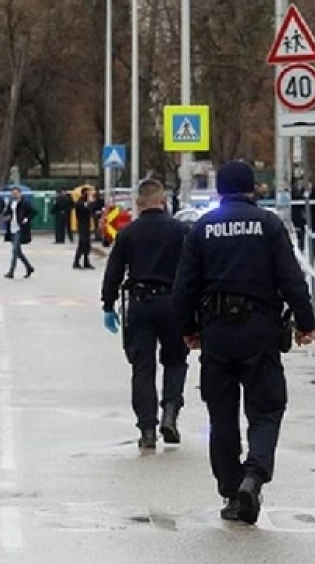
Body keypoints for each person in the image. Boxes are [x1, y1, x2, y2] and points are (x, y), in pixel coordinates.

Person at [171, 161, 315, 525]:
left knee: (221, 415)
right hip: (260, 330)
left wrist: (188, 328)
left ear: (220, 190)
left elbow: (184, 286)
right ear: (253, 188)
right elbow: (291, 277)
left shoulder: (204, 227)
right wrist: (305, 321)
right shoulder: (268, 225)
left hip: (217, 333)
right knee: (266, 408)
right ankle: (254, 476)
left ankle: (231, 490)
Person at [100, 179, 190, 449]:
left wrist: (108, 304)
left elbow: (114, 272)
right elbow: (192, 270)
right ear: (163, 201)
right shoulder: (180, 231)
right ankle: (171, 413)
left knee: (143, 368)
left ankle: (147, 429)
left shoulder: (129, 233)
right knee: (175, 360)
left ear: (139, 203)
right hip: (173, 303)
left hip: (139, 303)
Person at [2, 187, 35, 279]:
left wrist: (26, 219)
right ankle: (29, 267)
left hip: (20, 229)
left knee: (15, 250)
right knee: (18, 252)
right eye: (13, 193)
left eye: (16, 193)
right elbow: (6, 213)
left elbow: (33, 212)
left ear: (20, 194)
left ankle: (11, 271)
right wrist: (6, 217)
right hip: (11, 228)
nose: (14, 195)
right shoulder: (11, 203)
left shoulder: (24, 203)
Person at [73, 187, 98, 269]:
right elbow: (86, 210)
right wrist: (90, 203)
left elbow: (91, 211)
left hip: (86, 225)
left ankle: (86, 262)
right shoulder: (80, 203)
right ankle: (76, 262)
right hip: (82, 225)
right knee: (82, 244)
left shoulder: (85, 202)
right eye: (88, 194)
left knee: (87, 245)